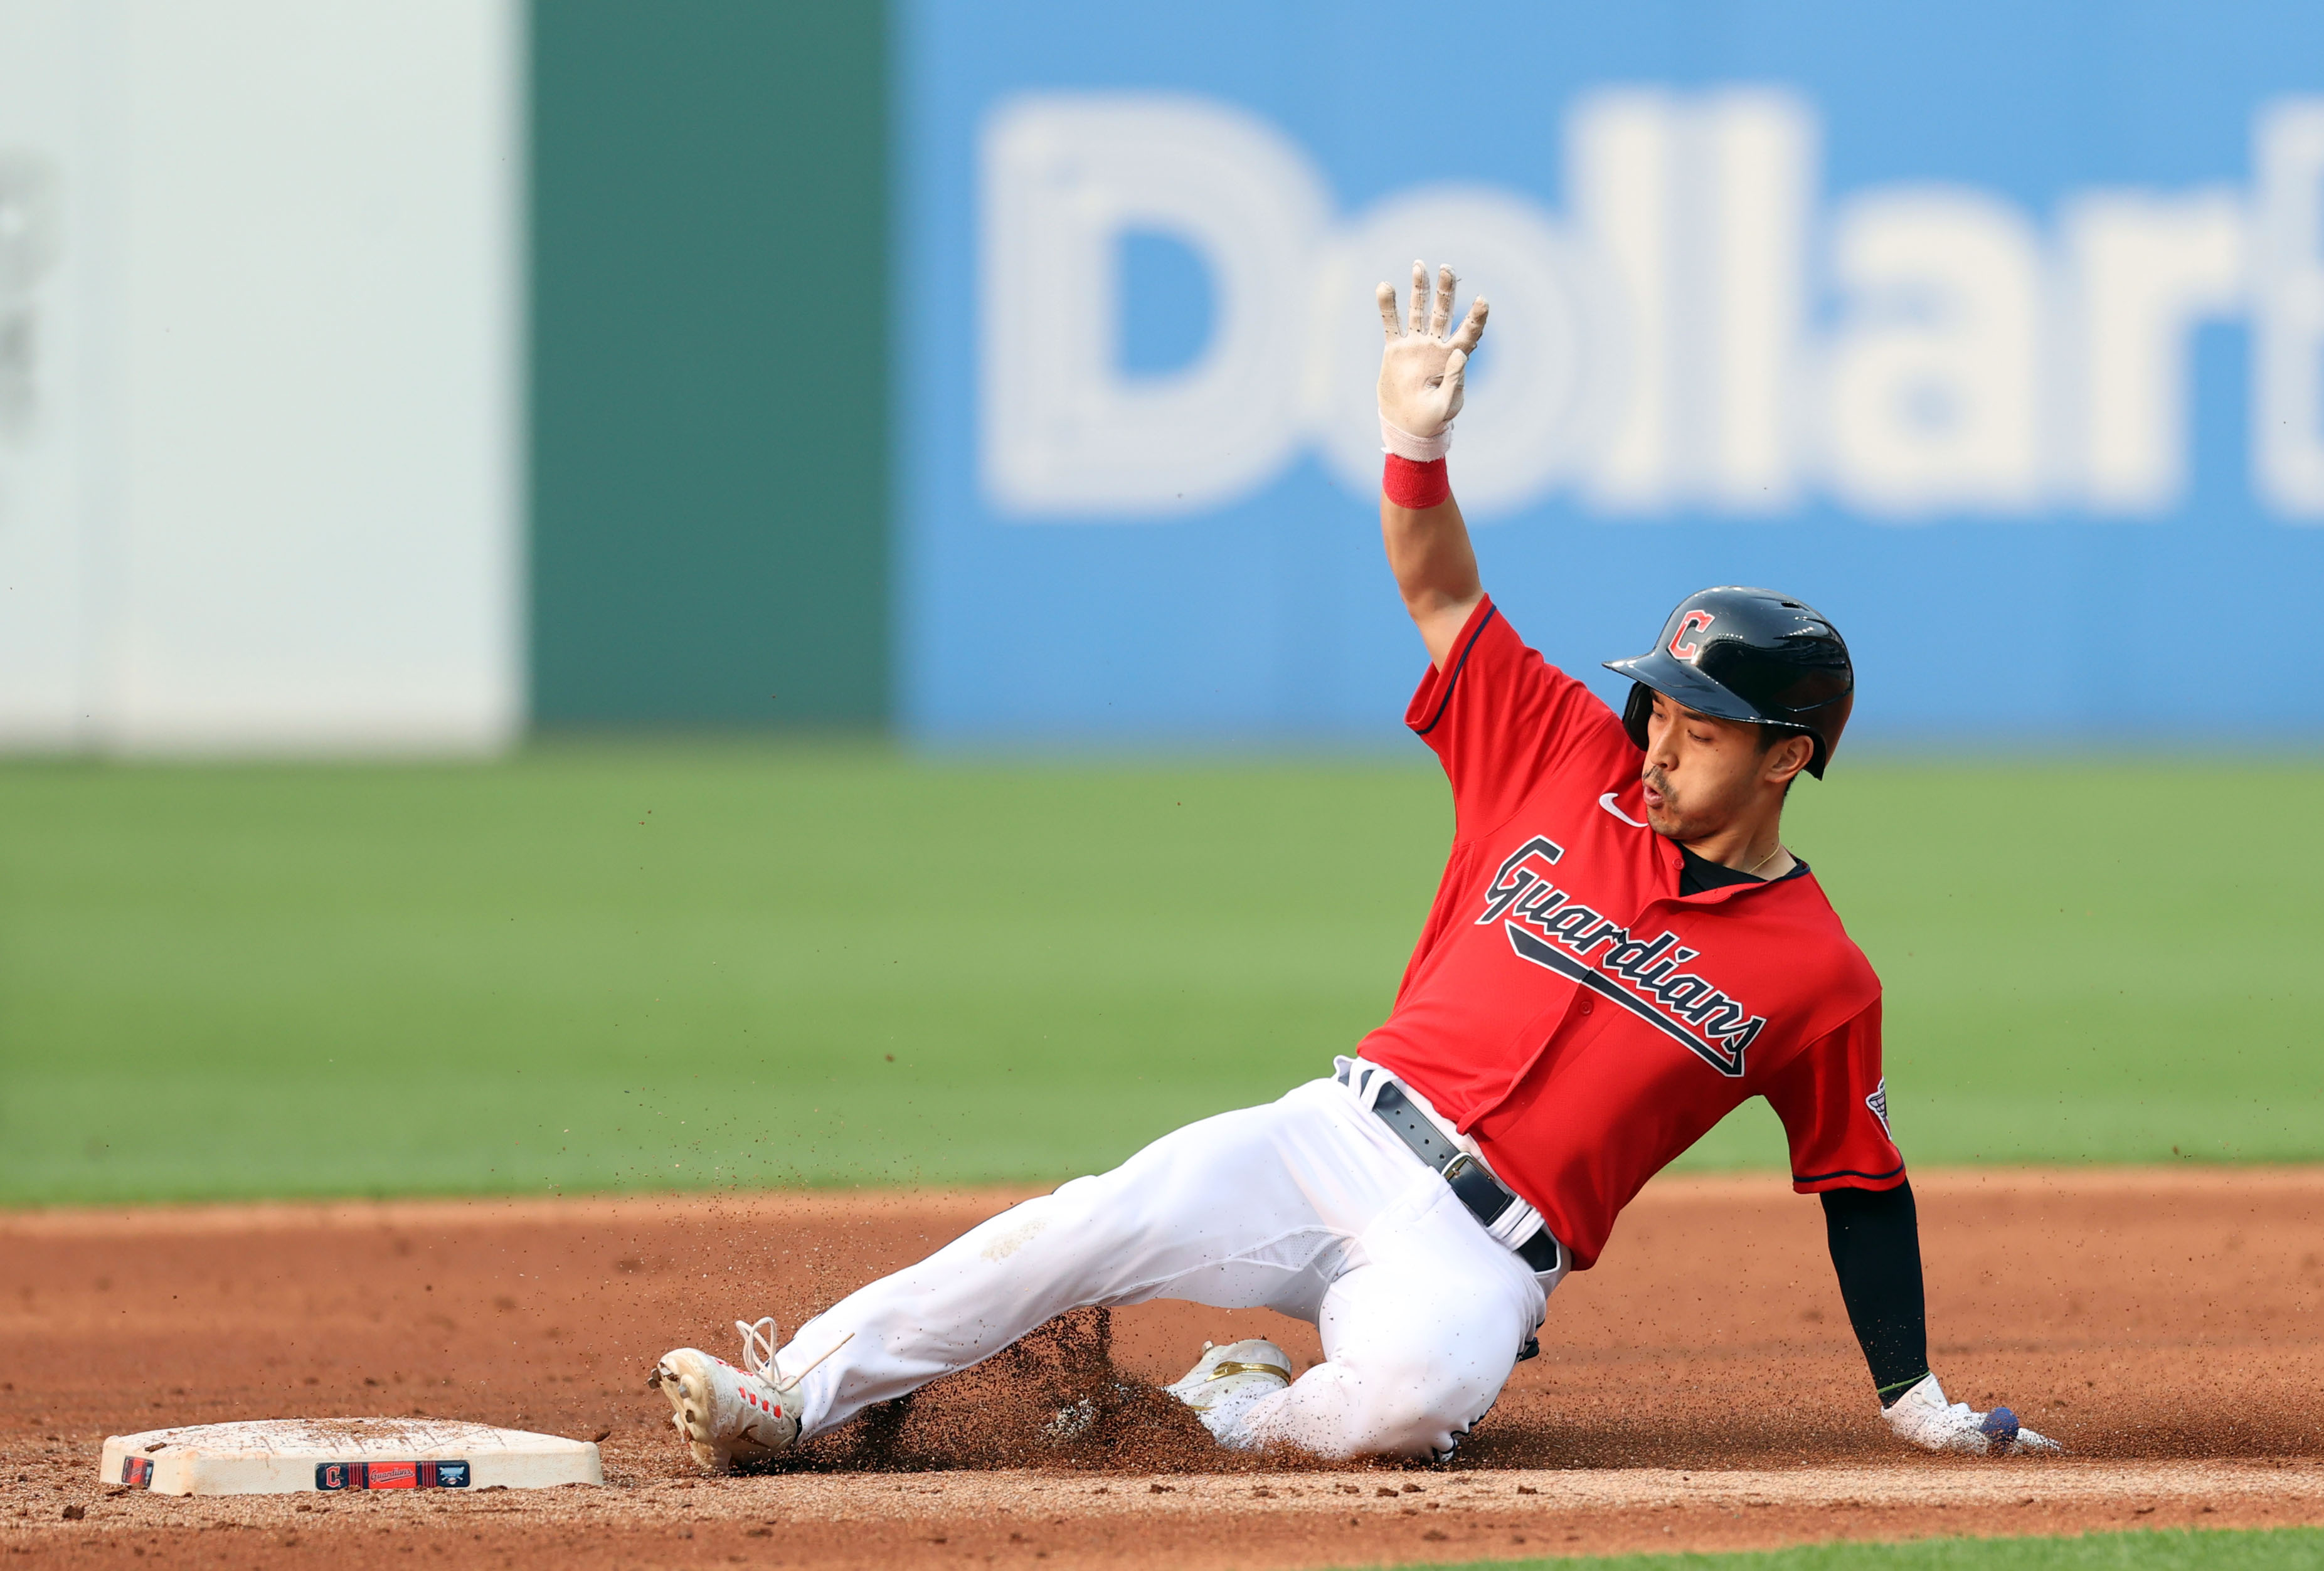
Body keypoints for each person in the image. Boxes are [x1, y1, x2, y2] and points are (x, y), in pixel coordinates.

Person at [649, 262, 2058, 1469]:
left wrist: (1913, 1397)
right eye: (1659, 708)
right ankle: (791, 1392)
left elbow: (1859, 1182)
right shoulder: (1556, 751)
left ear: (1787, 757)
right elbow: (1440, 586)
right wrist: (1410, 443)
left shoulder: (1816, 971)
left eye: (1702, 728)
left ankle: (1230, 1411)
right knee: (1077, 1227)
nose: (1658, 740)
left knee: (1407, 1401)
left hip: (1482, 1256)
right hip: (1329, 1135)